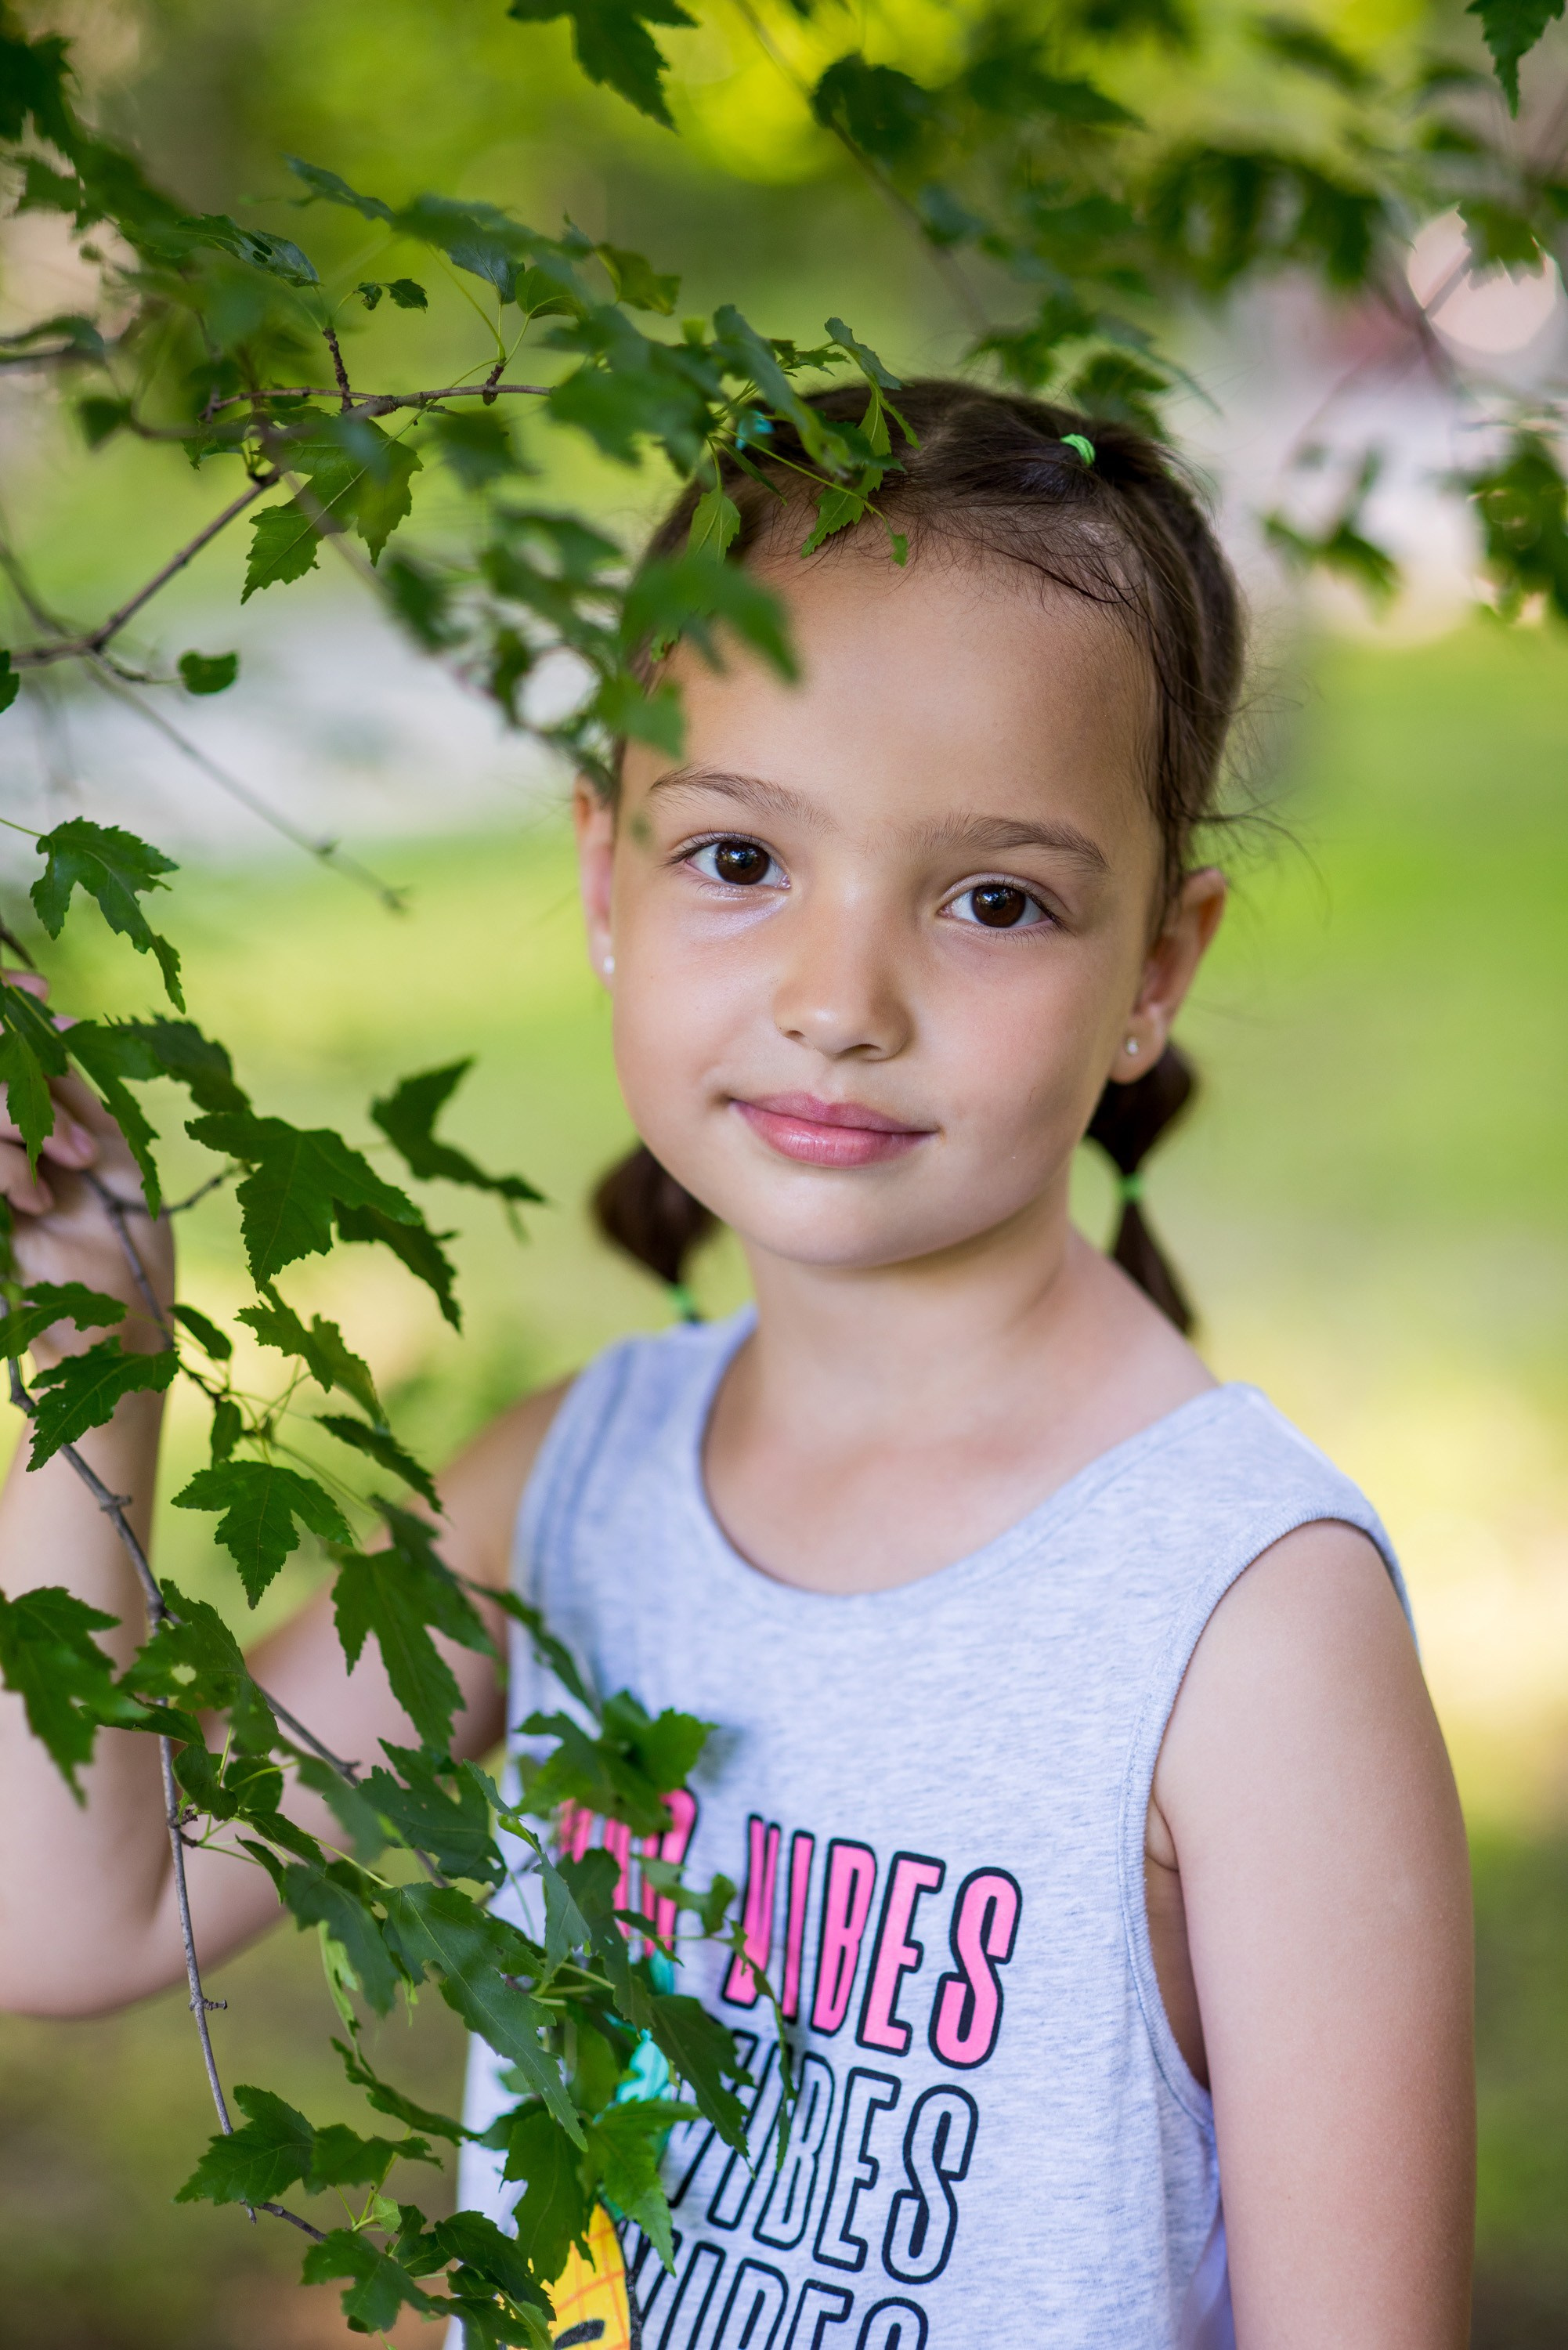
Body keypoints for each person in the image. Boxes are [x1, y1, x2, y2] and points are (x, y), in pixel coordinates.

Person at [0, 380, 1474, 2348]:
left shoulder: (1239, 1620)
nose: (838, 1001)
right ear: (604, 870)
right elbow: (82, 1908)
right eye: (737, 861)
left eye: (992, 900)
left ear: (1154, 972)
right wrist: (89, 1347)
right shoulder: (575, 1483)